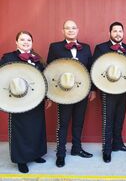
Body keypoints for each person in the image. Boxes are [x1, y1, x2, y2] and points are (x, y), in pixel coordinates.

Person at [47, 20, 96, 168]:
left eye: (73, 28)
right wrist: (50, 93)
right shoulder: (55, 47)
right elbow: (50, 70)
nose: (70, 30)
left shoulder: (86, 48)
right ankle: (60, 154)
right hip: (63, 93)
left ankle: (76, 148)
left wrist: (92, 89)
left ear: (78, 30)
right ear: (63, 31)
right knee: (62, 124)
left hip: (82, 91)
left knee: (78, 122)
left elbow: (90, 69)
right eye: (67, 28)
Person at [0, 31, 49, 173]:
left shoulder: (37, 59)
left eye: (28, 40)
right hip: (17, 101)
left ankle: (36, 154)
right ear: (16, 42)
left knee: (36, 128)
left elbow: (43, 81)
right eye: (22, 40)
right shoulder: (8, 57)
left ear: (32, 42)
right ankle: (21, 160)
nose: (26, 42)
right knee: (20, 130)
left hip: (35, 99)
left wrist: (46, 98)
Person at [92, 22, 126, 163]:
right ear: (109, 33)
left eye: (120, 31)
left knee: (119, 118)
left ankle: (118, 143)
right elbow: (95, 68)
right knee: (108, 120)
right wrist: (93, 89)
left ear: (123, 33)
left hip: (123, 89)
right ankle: (107, 150)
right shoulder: (101, 47)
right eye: (114, 31)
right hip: (106, 90)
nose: (117, 33)